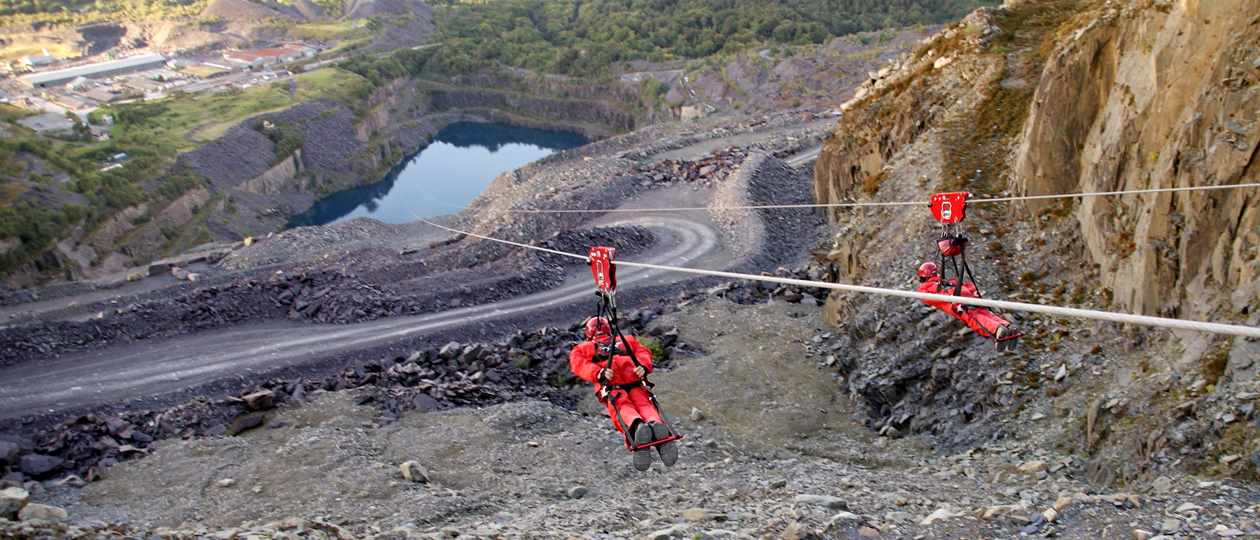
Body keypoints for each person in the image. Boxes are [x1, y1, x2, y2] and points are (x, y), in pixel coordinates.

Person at [569, 316, 678, 471]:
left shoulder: (584, 348)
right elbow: (643, 352)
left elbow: (578, 364)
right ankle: (656, 423)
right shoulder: (626, 340)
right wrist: (643, 366)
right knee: (645, 405)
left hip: (613, 386)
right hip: (635, 381)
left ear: (588, 333)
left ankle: (636, 426)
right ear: (608, 329)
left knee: (622, 407)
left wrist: (598, 373)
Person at [916, 261, 1015, 343]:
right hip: (968, 296)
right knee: (985, 312)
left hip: (958, 303)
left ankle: (997, 329)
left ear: (923, 277)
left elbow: (925, 297)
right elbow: (966, 285)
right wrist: (974, 293)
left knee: (974, 319)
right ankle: (1005, 325)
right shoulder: (946, 281)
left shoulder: (926, 288)